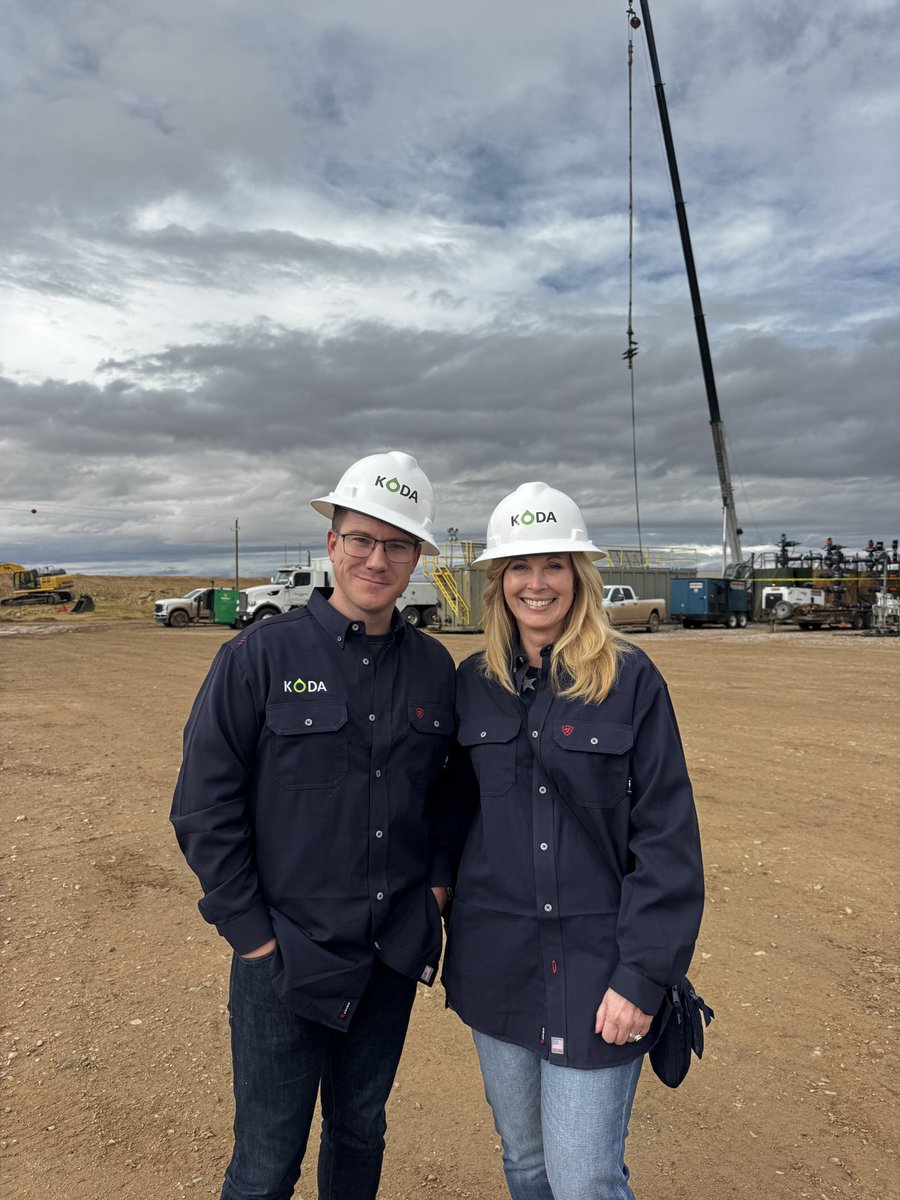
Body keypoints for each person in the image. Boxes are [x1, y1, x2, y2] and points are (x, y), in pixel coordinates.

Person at [171, 450, 456, 1200]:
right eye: (361, 538)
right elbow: (204, 805)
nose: (377, 558)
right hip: (284, 959)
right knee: (266, 1162)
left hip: (388, 954)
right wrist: (254, 939)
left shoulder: (435, 671)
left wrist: (433, 894)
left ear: (418, 557)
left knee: (361, 1130)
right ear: (331, 543)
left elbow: (453, 798)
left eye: (397, 544)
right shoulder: (259, 657)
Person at [442, 481, 704, 1200]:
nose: (536, 582)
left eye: (554, 564)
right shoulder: (471, 686)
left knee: (584, 1176)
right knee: (526, 1164)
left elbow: (667, 839)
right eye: (519, 568)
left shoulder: (631, 680)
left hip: (600, 968)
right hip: (497, 966)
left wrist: (644, 976)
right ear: (497, 585)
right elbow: (445, 820)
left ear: (579, 577)